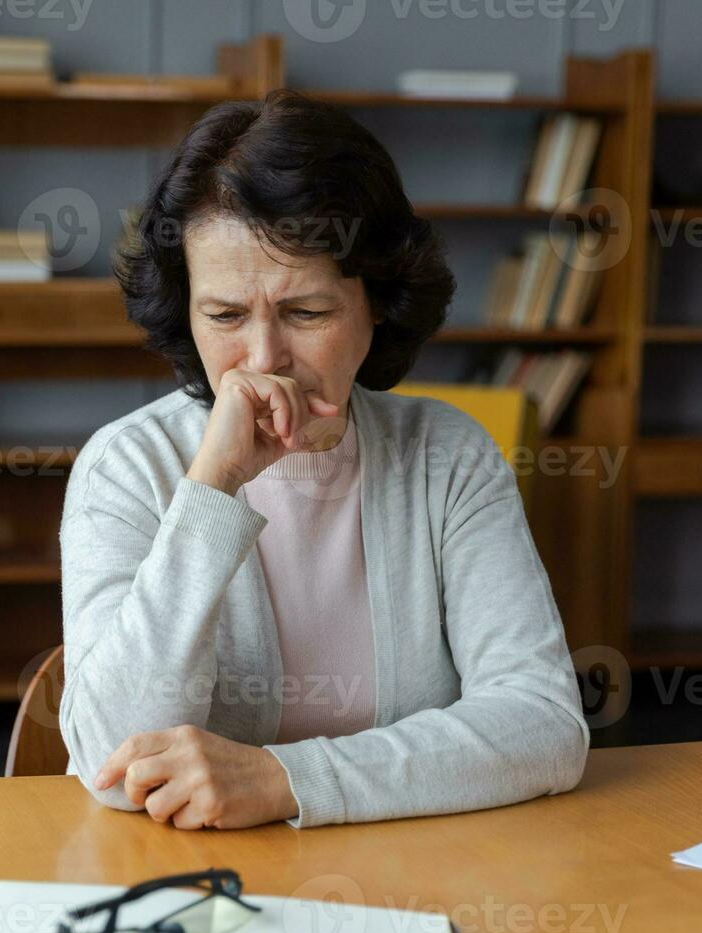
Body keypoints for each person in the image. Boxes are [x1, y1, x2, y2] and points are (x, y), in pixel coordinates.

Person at [57, 89, 588, 830]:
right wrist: (212, 489)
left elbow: (543, 727)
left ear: (380, 305)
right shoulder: (128, 466)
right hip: (202, 884)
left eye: (307, 313)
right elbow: (115, 765)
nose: (265, 359)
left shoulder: (450, 455)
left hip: (418, 874)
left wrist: (286, 779)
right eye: (224, 315)